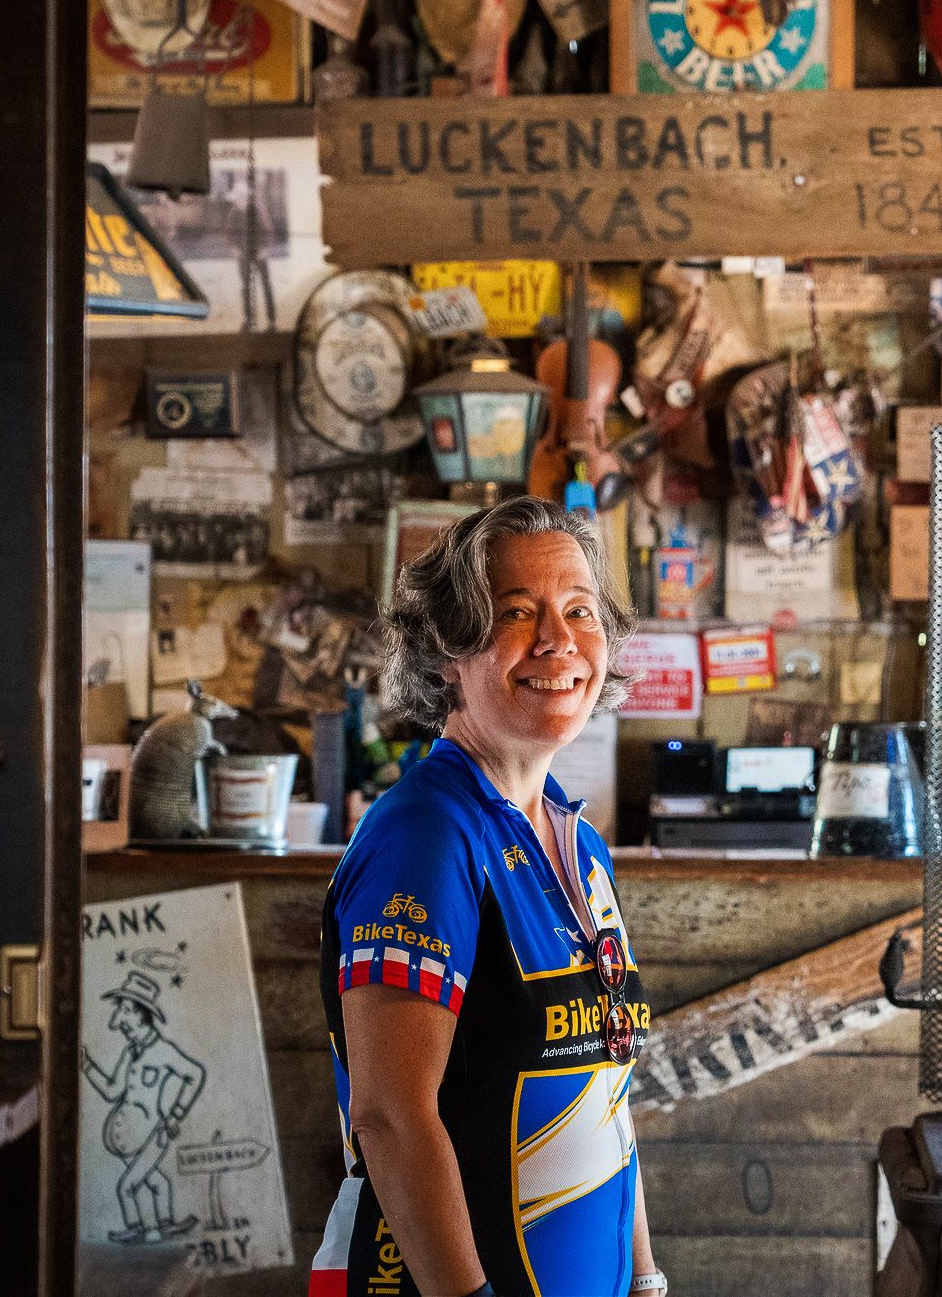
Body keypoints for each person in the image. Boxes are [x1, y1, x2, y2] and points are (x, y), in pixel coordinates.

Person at [309, 496, 665, 1297]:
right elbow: (391, 1118)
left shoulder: (578, 842)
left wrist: (644, 1277)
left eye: (580, 610)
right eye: (516, 612)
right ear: (445, 652)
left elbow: (604, 1093)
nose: (558, 639)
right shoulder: (427, 836)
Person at [82, 969, 206, 1244]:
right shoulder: (130, 1051)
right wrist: (87, 1066)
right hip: (128, 1137)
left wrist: (176, 1115)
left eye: (127, 1009)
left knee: (127, 1186)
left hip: (153, 1133)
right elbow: (112, 1091)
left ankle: (146, 1231)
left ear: (142, 1014)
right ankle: (165, 1225)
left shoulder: (163, 1050)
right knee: (157, 1182)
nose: (121, 1018)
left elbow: (194, 1074)